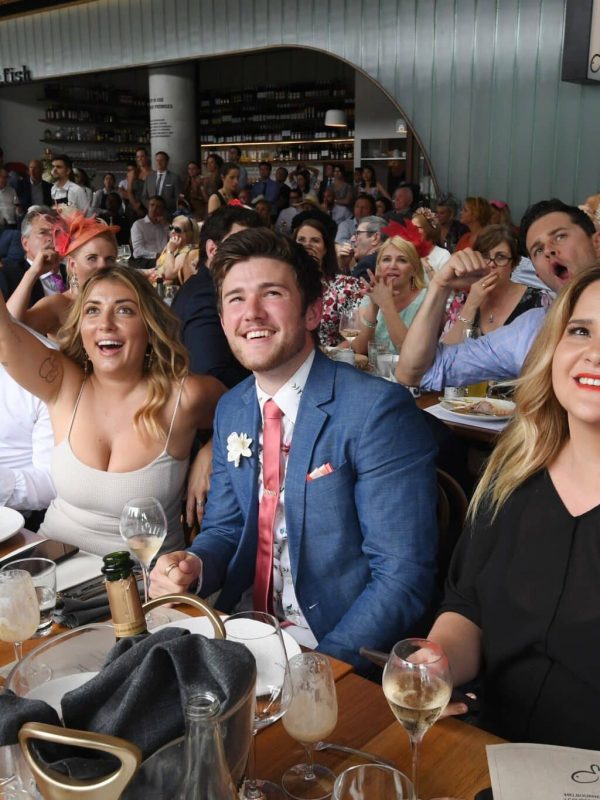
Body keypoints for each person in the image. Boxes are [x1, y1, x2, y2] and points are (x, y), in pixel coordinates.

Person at [150, 228, 438, 670]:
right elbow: (226, 528)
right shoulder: (233, 407)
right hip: (243, 631)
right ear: (223, 319)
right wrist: (193, 563)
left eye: (272, 294)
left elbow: (401, 579)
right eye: (236, 299)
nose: (252, 314)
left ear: (312, 311)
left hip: (331, 645)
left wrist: (319, 669)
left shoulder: (376, 411)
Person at [429, 265, 600, 747]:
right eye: (581, 330)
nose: (594, 353)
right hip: (490, 753)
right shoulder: (511, 475)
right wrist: (436, 661)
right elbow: (467, 609)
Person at [0, 265, 224, 557]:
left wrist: (212, 448)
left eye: (124, 311)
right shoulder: (63, 384)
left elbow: (249, 409)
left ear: (149, 326)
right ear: (80, 327)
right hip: (55, 567)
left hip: (146, 582)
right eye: (92, 311)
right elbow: (5, 336)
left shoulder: (183, 398)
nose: (105, 323)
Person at [395, 199, 600, 390]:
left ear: (597, 243)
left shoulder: (533, 308)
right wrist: (440, 287)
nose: (548, 250)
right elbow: (416, 373)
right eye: (537, 249)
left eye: (560, 236)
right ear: (538, 273)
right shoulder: (531, 330)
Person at [171, 204, 261, 388]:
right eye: (242, 246)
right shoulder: (206, 295)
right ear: (212, 250)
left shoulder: (202, 286)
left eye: (257, 247)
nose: (254, 256)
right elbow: (212, 375)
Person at [7, 209, 119, 338]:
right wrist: (32, 273)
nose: (103, 266)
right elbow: (8, 331)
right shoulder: (59, 304)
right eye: (92, 258)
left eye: (109, 259)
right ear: (72, 265)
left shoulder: (120, 299)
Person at [442, 225, 548, 343]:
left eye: (501, 257)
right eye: (485, 256)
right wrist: (470, 305)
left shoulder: (539, 301)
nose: (491, 264)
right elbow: (447, 353)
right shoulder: (463, 301)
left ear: (514, 264)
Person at [353, 223, 429, 356]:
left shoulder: (427, 299)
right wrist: (374, 305)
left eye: (402, 260)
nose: (392, 266)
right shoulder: (372, 296)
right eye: (386, 259)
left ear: (414, 269)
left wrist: (386, 304)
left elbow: (410, 355)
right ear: (378, 266)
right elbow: (360, 349)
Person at [293, 218, 363, 347]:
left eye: (315, 240)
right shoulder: (283, 286)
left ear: (325, 249)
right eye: (301, 240)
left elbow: (357, 336)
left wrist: (328, 356)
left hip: (331, 359)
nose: (307, 245)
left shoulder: (345, 286)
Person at [0, 206, 65, 308]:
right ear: (25, 243)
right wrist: (33, 273)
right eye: (43, 232)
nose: (52, 238)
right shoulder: (7, 276)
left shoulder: (71, 272)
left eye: (57, 233)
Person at [152, 214, 199, 285]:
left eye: (177, 230)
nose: (172, 231)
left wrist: (170, 250)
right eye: (171, 228)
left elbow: (169, 274)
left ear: (188, 234)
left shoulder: (187, 250)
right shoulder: (172, 245)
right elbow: (158, 265)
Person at [411, 207, 451, 280]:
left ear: (428, 230)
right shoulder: (407, 251)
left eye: (416, 228)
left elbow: (443, 285)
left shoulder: (443, 255)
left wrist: (425, 263)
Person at [130, 195, 169, 268]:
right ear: (148, 207)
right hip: (145, 260)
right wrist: (157, 255)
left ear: (163, 210)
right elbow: (138, 250)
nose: (154, 209)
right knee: (164, 264)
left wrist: (166, 225)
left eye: (158, 207)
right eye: (152, 205)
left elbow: (175, 238)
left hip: (163, 258)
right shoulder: (138, 224)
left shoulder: (165, 225)